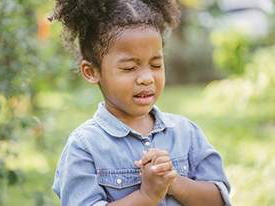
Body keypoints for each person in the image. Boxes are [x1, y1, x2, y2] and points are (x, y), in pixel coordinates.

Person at [49, 0, 232, 205]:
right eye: (129, 68)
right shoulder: (84, 147)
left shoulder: (186, 133)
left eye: (155, 65)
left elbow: (218, 199)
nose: (147, 78)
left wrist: (175, 183)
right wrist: (146, 197)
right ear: (92, 72)